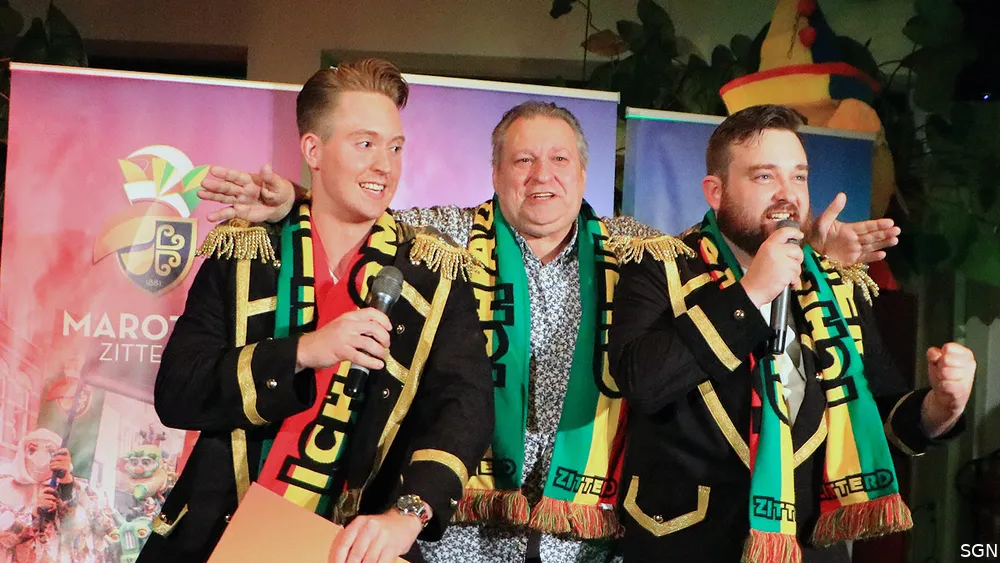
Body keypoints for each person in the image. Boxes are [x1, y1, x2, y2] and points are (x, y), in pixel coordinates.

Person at [196, 98, 898, 563]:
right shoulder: (440, 236)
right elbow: (360, 220)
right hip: (453, 532)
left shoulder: (634, 248)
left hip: (582, 538)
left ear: (584, 172)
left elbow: (725, 246)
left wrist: (811, 247)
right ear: (495, 171)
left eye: (560, 159)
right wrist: (296, 200)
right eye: (523, 160)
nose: (543, 177)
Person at [139, 59, 493, 563]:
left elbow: (464, 409)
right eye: (365, 144)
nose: (385, 166)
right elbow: (177, 392)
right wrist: (304, 351)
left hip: (349, 548)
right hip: (222, 539)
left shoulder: (433, 272)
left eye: (395, 147)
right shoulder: (247, 252)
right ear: (313, 150)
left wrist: (408, 513)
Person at [608, 104, 976, 562]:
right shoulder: (658, 266)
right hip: (685, 546)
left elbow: (878, 415)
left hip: (807, 549)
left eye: (798, 177)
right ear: (716, 192)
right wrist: (751, 294)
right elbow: (641, 381)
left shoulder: (835, 284)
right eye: (765, 177)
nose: (787, 194)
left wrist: (941, 407)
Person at [0, 428, 112, 563]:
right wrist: (32, 515)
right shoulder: (4, 487)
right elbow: (5, 537)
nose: (40, 459)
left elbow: (102, 527)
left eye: (51, 451)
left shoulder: (80, 488)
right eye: (32, 450)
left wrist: (67, 487)